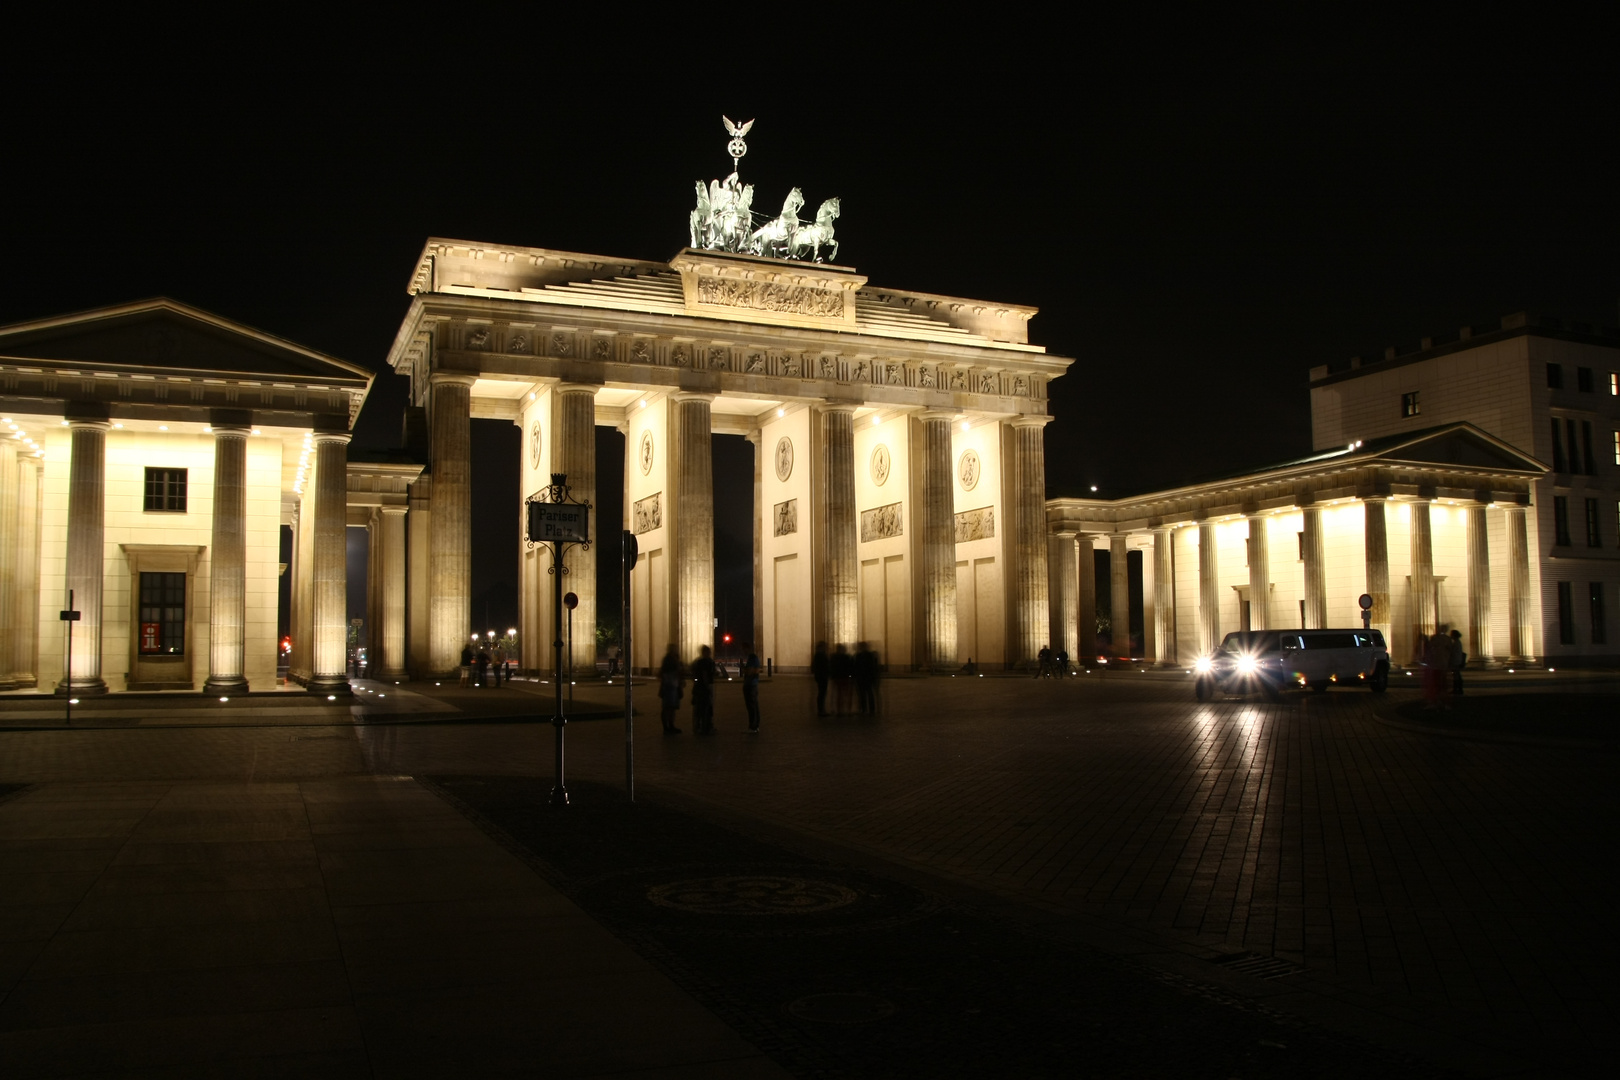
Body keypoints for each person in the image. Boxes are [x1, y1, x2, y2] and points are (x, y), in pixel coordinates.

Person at [691, 644, 718, 735]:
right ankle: (706, 726)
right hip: (704, 687)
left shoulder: (698, 662)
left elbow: (694, 673)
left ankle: (699, 726)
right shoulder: (707, 662)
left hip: (699, 687)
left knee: (699, 708)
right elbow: (705, 674)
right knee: (706, 707)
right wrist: (707, 686)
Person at [658, 644, 684, 734]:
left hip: (672, 685)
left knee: (671, 707)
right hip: (669, 686)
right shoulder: (669, 659)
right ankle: (667, 727)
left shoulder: (672, 658)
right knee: (668, 707)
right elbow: (665, 672)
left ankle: (670, 726)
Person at [854, 642, 879, 714]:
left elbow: (856, 667)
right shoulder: (868, 655)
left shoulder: (860, 655)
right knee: (867, 694)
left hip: (864, 678)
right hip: (866, 678)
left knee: (865, 694)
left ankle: (865, 709)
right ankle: (869, 709)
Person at [741, 646, 762, 732]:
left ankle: (753, 726)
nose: (744, 651)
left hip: (750, 684)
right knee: (754, 705)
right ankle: (755, 726)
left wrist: (745, 670)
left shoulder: (752, 658)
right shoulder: (753, 658)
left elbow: (752, 671)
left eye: (745, 649)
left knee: (751, 706)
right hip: (752, 684)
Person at [832, 643, 854, 715]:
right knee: (845, 694)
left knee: (840, 694)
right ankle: (847, 710)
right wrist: (850, 676)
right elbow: (850, 668)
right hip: (844, 677)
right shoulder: (846, 657)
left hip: (839, 678)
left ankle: (840, 710)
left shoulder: (834, 657)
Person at [811, 641, 830, 716]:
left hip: (820, 676)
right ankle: (821, 710)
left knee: (821, 693)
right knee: (822, 693)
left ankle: (821, 709)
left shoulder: (818, 655)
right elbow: (824, 666)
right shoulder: (821, 655)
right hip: (822, 676)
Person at [1448, 628, 1466, 696]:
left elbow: (1453, 652)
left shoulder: (1456, 643)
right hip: (1457, 660)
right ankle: (1458, 689)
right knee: (1456, 675)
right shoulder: (1458, 642)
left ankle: (1457, 689)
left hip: (1456, 661)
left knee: (1456, 675)